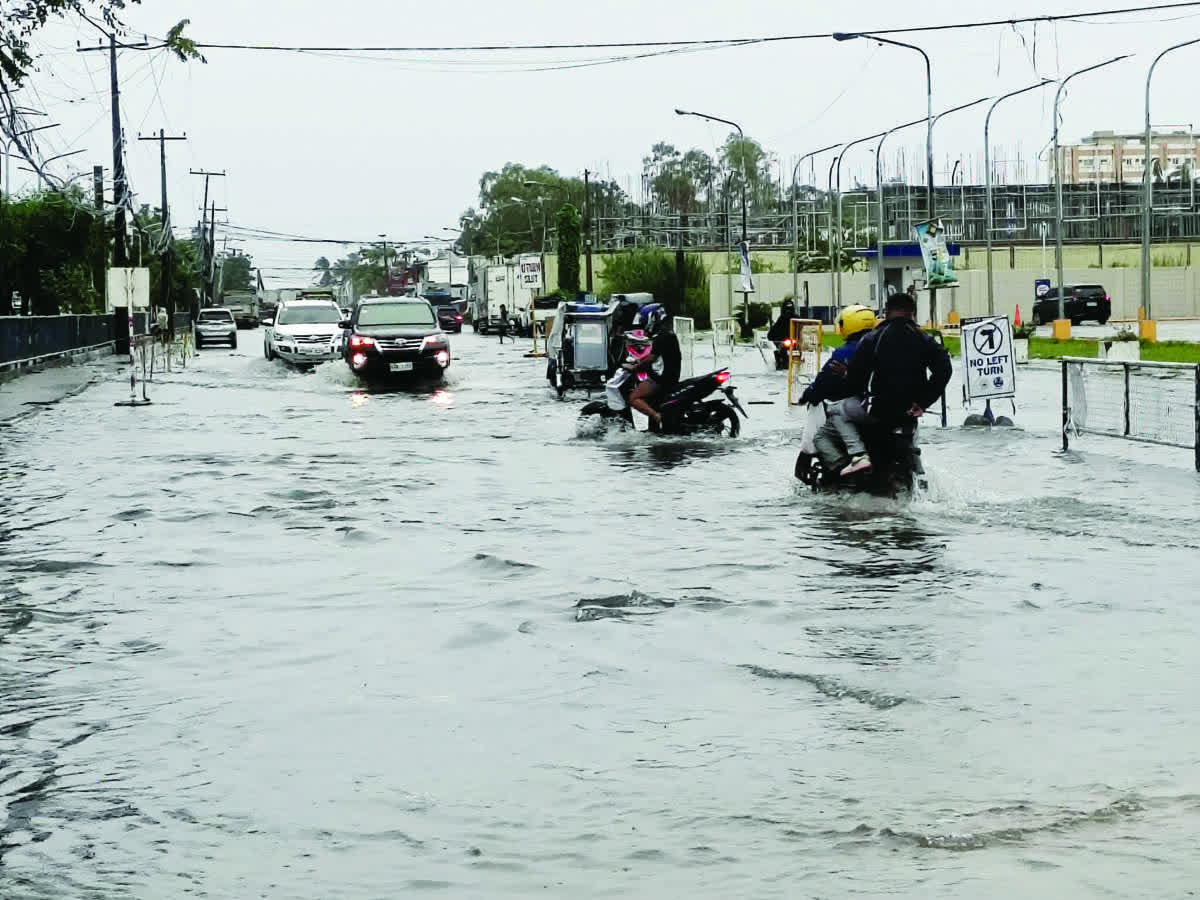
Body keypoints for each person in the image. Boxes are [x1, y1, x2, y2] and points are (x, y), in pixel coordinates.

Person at [828, 291, 952, 477]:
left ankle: (858, 455)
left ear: (886, 312)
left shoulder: (872, 338)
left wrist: (846, 375)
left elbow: (855, 380)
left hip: (877, 410)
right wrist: (923, 402)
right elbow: (945, 370)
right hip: (909, 412)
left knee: (835, 410)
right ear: (913, 313)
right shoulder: (924, 339)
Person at [625, 303, 681, 428]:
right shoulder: (668, 334)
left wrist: (635, 367)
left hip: (661, 379)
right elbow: (655, 355)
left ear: (653, 319)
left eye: (645, 320)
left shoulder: (662, 337)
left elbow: (652, 358)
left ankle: (657, 417)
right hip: (669, 376)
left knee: (633, 398)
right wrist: (638, 361)